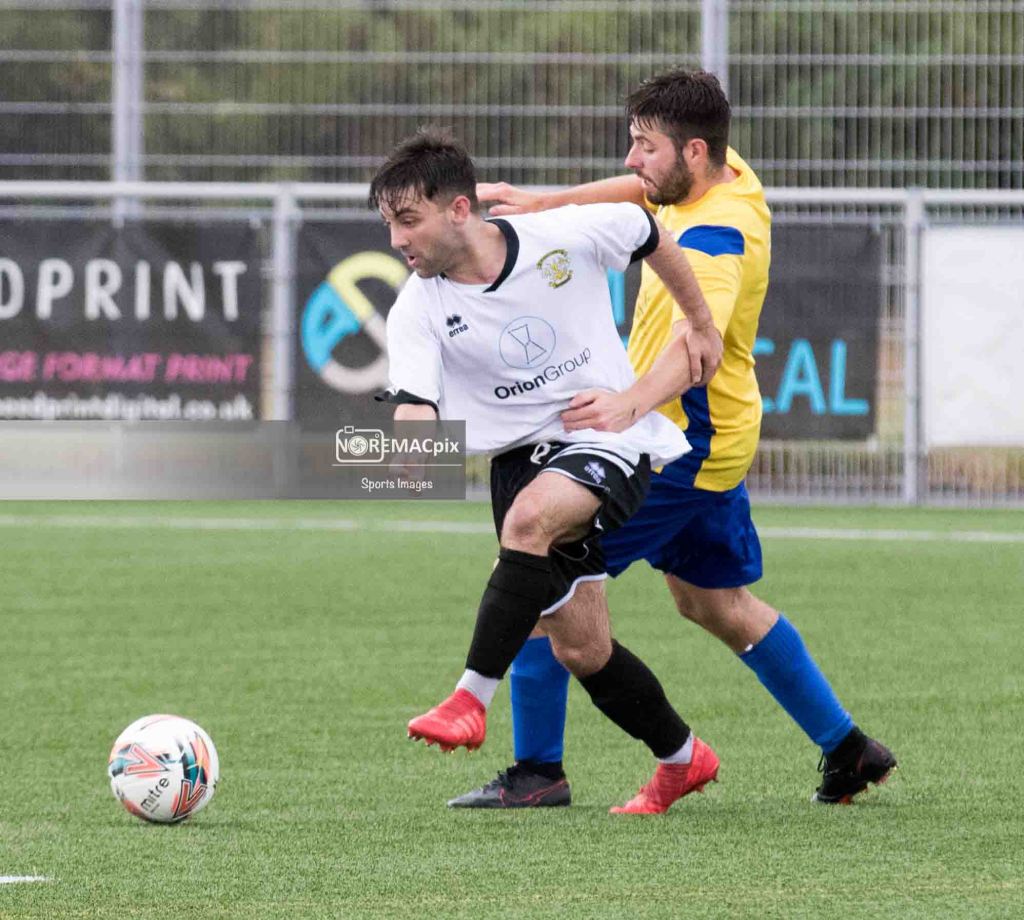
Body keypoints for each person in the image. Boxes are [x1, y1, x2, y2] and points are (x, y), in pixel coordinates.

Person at [451, 68, 896, 810]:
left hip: (680, 445)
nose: (631, 160)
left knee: (533, 571)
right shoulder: (722, 172)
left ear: (692, 151)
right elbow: (639, 193)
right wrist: (548, 202)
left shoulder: (718, 238)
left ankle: (538, 772)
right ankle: (849, 749)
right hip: (716, 438)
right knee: (713, 603)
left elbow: (700, 347)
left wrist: (627, 405)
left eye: (644, 146)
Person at [372, 126, 725, 813]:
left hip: (604, 434)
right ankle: (683, 758)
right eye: (389, 224)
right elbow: (416, 401)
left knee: (530, 522)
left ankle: (469, 699)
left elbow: (647, 230)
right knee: (584, 649)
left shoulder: (560, 235)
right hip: (516, 464)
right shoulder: (417, 305)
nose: (397, 240)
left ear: (460, 209)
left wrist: (701, 323)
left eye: (408, 220)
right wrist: (409, 451)